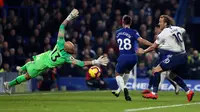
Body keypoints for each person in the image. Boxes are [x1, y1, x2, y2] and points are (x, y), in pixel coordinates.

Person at [3, 9, 109, 95]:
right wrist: (95, 62)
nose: (70, 42)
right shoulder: (65, 57)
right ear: (69, 51)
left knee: (30, 63)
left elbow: (62, 26)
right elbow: (81, 63)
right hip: (43, 64)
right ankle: (9, 84)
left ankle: (21, 68)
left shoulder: (60, 42)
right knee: (27, 77)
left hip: (44, 56)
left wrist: (69, 17)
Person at [140, 15, 194, 102]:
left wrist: (143, 51)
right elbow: (184, 30)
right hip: (184, 56)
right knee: (171, 75)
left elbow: (153, 47)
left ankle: (154, 93)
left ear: (165, 23)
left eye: (160, 22)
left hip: (176, 56)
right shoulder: (177, 28)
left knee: (155, 70)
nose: (159, 23)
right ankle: (188, 91)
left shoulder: (163, 34)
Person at [112, 15, 153, 101]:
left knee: (117, 74)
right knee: (126, 72)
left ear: (122, 22)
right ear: (130, 22)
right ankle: (118, 91)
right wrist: (152, 45)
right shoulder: (134, 32)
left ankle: (124, 89)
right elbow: (141, 40)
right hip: (133, 58)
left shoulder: (118, 32)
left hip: (123, 56)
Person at [142, 25, 180, 95]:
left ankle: (175, 84)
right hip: (161, 56)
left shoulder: (165, 35)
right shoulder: (157, 36)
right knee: (155, 70)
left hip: (167, 56)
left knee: (165, 74)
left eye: (156, 29)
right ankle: (149, 88)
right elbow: (156, 46)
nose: (155, 30)